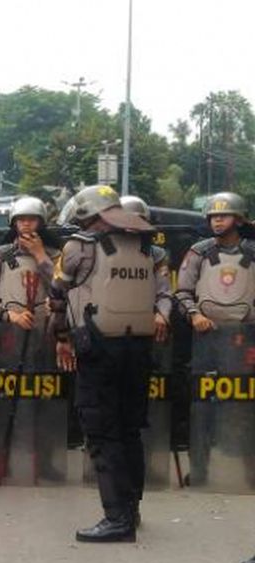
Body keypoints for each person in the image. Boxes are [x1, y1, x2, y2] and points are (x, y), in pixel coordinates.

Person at [51, 184, 172, 543]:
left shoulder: (78, 248)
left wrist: (60, 338)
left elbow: (57, 295)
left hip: (99, 350)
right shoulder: (150, 249)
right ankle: (131, 509)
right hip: (139, 349)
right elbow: (163, 295)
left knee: (103, 433)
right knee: (130, 430)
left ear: (90, 215)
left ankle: (116, 519)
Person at [0, 195, 64, 483]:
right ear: (13, 223)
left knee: (45, 403)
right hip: (6, 339)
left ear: (41, 222)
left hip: (44, 337)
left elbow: (65, 289)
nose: (26, 224)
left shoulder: (56, 255)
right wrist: (7, 315)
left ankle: (46, 462)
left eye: (32, 219)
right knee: (1, 404)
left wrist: (41, 257)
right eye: (21, 219)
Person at [175, 191, 255, 491]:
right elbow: (181, 291)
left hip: (244, 339)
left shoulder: (253, 250)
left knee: (245, 410)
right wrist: (194, 314)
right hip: (206, 339)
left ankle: (250, 471)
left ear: (239, 218)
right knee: (203, 408)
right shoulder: (199, 252)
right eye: (213, 216)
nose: (217, 220)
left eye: (224, 215)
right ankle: (200, 470)